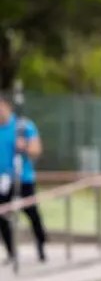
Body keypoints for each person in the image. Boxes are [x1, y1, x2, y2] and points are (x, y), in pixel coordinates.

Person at [0, 95, 47, 264]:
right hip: (3, 180)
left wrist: (24, 146)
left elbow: (36, 149)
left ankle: (41, 246)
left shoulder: (23, 126)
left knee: (32, 213)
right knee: (2, 214)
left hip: (23, 178)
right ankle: (11, 252)